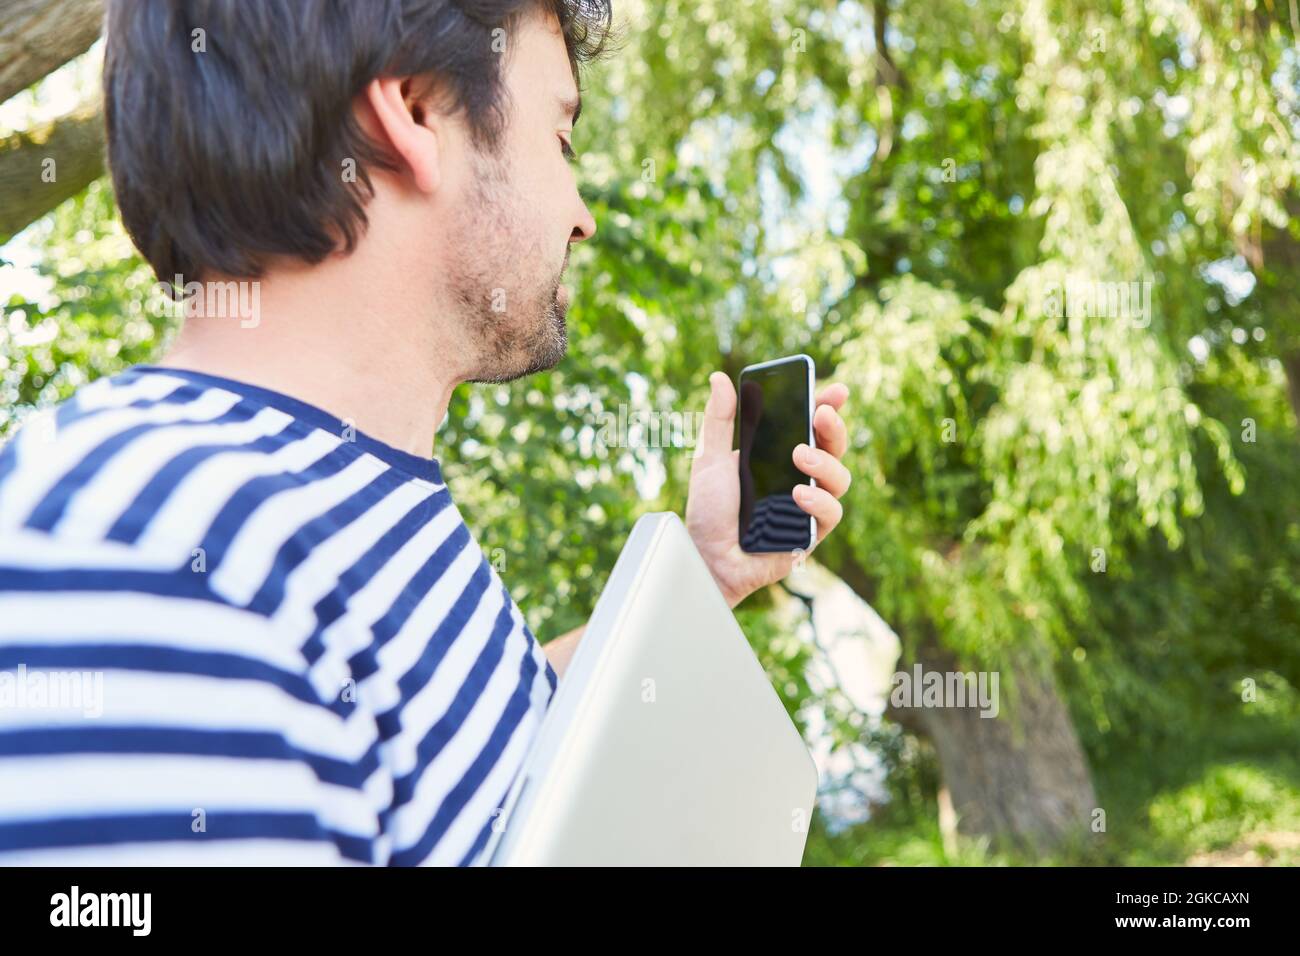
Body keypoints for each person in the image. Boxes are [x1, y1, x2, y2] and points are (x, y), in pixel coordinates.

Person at [0, 0, 853, 865]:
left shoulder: (329, 498)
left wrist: (702, 575)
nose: (582, 215)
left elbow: (502, 764)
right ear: (413, 113)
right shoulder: (144, 541)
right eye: (561, 140)